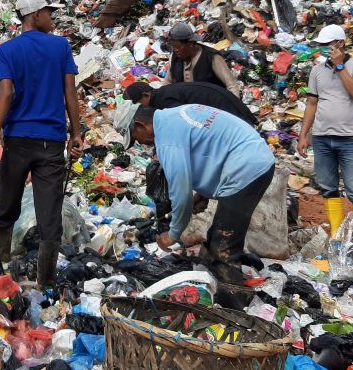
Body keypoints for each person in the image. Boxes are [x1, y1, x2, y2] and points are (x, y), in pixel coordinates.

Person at [116, 101, 276, 285]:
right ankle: (208, 278)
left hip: (246, 168)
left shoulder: (167, 139)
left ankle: (234, 302)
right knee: (217, 233)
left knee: (223, 247)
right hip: (257, 159)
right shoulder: (175, 114)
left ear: (140, 125)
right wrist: (204, 193)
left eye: (136, 138)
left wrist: (173, 234)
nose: (142, 144)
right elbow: (210, 147)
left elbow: (181, 194)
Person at [0, 0, 83, 288]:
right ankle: (45, 282)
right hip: (50, 143)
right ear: (35, 15)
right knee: (49, 215)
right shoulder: (60, 47)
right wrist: (75, 133)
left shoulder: (9, 50)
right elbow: (70, 93)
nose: (51, 18)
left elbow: (6, 93)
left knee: (7, 207)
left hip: (18, 141)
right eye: (48, 13)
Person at [297, 24, 353, 249]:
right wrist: (303, 135)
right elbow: (311, 103)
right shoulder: (317, 71)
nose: (325, 49)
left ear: (341, 43)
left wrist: (340, 67)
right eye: (322, 46)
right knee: (328, 187)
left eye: (329, 45)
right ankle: (337, 236)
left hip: (348, 138)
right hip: (321, 138)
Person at [123, 81, 258, 129]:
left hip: (221, 104)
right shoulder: (162, 93)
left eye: (138, 102)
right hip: (221, 98)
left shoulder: (163, 101)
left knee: (244, 128)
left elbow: (184, 119)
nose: (141, 106)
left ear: (146, 95)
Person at [165, 22, 240, 94]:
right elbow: (167, 82)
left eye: (178, 46)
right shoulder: (174, 57)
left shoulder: (212, 58)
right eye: (173, 47)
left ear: (190, 43)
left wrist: (232, 105)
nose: (175, 50)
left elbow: (232, 86)